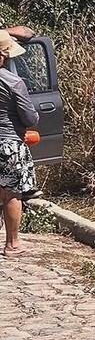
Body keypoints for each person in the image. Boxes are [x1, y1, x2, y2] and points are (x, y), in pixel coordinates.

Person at [0, 30, 40, 257]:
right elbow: (30, 117)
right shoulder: (13, 82)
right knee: (12, 193)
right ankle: (12, 244)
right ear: (6, 56)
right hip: (8, 143)